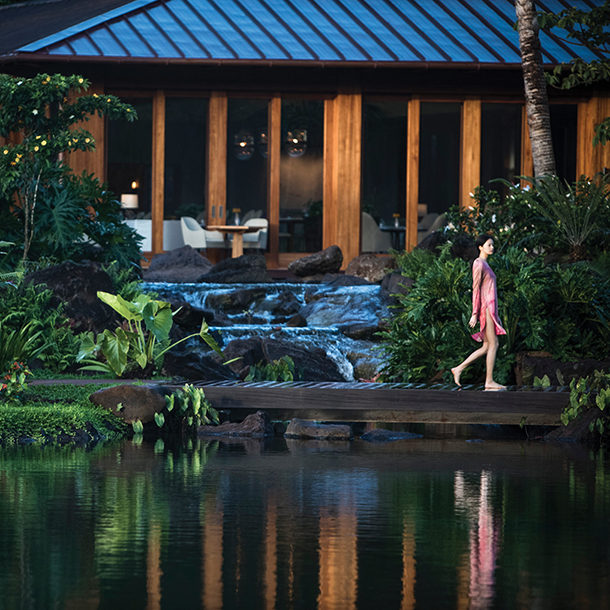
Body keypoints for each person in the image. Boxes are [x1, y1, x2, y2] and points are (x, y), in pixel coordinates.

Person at [451, 234, 506, 391]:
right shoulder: (479, 264)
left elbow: (488, 290)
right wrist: (475, 313)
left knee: (487, 346)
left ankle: (458, 368)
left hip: (491, 310)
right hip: (486, 309)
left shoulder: (485, 264)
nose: (492, 247)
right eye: (489, 245)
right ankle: (489, 381)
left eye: (492, 245)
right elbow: (476, 289)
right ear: (480, 247)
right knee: (494, 344)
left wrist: (497, 317)